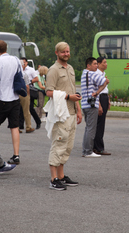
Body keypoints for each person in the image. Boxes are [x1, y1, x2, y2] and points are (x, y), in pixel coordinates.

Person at [45, 42, 82, 191]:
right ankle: (53, 179)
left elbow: (73, 90)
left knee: (67, 146)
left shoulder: (70, 68)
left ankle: (61, 176)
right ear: (57, 53)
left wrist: (78, 110)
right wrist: (67, 97)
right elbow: (48, 92)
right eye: (63, 52)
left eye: (68, 51)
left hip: (72, 112)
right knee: (59, 144)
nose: (66, 54)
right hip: (61, 114)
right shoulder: (53, 70)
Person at [81, 57, 109, 157]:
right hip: (92, 104)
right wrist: (97, 92)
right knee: (91, 129)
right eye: (94, 64)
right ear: (88, 65)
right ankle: (88, 151)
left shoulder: (84, 73)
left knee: (88, 128)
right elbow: (105, 81)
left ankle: (85, 150)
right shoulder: (92, 74)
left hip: (84, 104)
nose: (96, 66)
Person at [93, 57, 111, 155]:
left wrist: (108, 100)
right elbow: (96, 90)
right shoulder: (97, 74)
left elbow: (105, 88)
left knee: (101, 123)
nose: (106, 64)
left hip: (104, 97)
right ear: (99, 64)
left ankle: (96, 146)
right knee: (99, 124)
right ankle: (98, 147)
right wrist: (99, 105)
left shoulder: (102, 74)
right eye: (104, 62)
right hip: (99, 98)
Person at [21, 57, 41, 129]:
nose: (23, 63)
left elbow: (36, 78)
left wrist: (28, 82)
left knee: (30, 108)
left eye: (24, 62)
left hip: (29, 88)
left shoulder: (30, 70)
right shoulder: (19, 69)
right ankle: (21, 125)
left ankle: (38, 121)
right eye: (21, 62)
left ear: (26, 62)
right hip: (21, 89)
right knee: (21, 108)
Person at [19, 60, 35, 133]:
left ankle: (17, 127)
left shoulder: (14, 74)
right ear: (22, 66)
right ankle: (28, 127)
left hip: (15, 94)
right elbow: (27, 86)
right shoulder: (24, 74)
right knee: (26, 111)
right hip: (23, 93)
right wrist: (28, 94)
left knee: (16, 111)